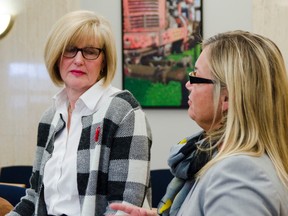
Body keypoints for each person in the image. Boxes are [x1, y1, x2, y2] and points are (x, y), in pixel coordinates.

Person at [109, 30, 288, 215]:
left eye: (195, 76)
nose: (188, 84)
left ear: (226, 98)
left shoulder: (239, 175)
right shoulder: (221, 160)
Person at [7, 10, 152, 216]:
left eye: (90, 51)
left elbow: (124, 207)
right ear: (57, 55)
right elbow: (34, 197)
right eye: (70, 49)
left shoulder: (124, 112)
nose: (78, 60)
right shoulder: (49, 118)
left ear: (104, 61)